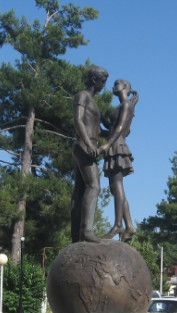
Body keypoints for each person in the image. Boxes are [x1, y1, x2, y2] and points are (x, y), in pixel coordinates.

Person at [71, 65, 109, 243]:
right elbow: (78, 120)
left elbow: (96, 129)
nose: (104, 85)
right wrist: (87, 143)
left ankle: (76, 234)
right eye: (103, 81)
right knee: (94, 186)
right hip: (84, 146)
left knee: (79, 192)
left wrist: (112, 133)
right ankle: (86, 230)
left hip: (89, 145)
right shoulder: (82, 96)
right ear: (94, 80)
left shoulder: (93, 102)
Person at [99, 79, 138, 242]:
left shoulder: (126, 105)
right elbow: (112, 127)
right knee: (115, 189)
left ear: (125, 87)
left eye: (117, 84)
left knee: (117, 185)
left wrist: (107, 144)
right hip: (114, 144)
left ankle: (118, 225)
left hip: (117, 146)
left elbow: (120, 128)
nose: (113, 86)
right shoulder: (122, 105)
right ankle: (129, 225)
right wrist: (100, 117)